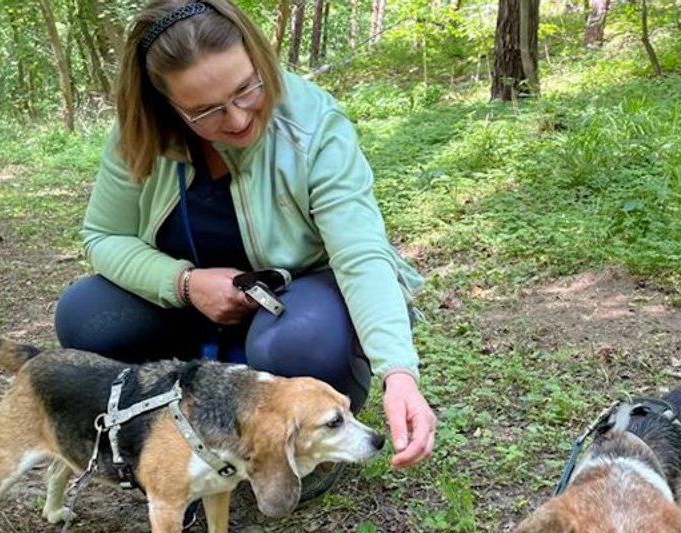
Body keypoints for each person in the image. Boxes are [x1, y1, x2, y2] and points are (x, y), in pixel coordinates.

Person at [54, 0, 436, 498]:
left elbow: (361, 254)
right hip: (196, 311)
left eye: (246, 88)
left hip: (295, 302)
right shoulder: (138, 135)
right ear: (165, 105)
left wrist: (399, 373)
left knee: (294, 341)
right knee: (86, 315)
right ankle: (175, 436)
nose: (236, 119)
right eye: (206, 111)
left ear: (259, 58)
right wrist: (184, 284)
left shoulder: (314, 124)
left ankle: (303, 448)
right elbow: (103, 237)